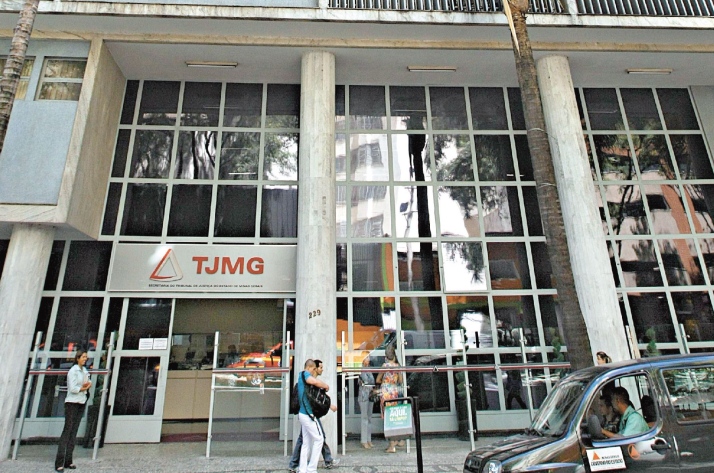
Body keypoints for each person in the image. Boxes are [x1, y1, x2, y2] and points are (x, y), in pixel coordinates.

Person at [289, 359, 339, 473]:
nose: (314, 371)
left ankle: (302, 469)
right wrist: (326, 385)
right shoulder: (305, 374)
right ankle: (311, 469)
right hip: (308, 415)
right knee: (319, 439)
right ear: (309, 367)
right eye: (313, 369)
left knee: (305, 443)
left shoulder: (302, 378)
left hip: (304, 414)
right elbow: (312, 381)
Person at [55, 350, 92, 472]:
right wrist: (84, 388)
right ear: (77, 358)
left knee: (74, 431)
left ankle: (68, 461)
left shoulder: (84, 370)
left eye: (86, 357)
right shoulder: (73, 371)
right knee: (67, 431)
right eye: (83, 357)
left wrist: (86, 386)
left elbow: (87, 382)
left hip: (81, 401)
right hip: (72, 403)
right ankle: (59, 462)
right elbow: (73, 388)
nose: (85, 359)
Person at [376, 344, 403, 453]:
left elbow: (378, 379)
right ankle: (396, 440)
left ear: (386, 355)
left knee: (388, 419)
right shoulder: (397, 366)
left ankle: (392, 445)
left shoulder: (384, 366)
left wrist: (385, 381)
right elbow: (400, 381)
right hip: (394, 392)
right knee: (394, 417)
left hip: (386, 392)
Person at [358, 353, 376, 449]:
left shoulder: (369, 369)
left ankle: (369, 439)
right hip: (363, 395)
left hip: (370, 395)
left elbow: (372, 381)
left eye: (369, 357)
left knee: (369, 418)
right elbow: (364, 381)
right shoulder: (361, 369)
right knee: (364, 417)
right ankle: (364, 440)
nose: (368, 359)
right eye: (367, 357)